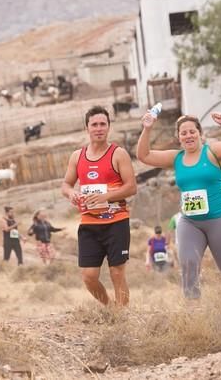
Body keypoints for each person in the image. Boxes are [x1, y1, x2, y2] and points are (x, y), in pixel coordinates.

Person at [136, 111, 221, 299]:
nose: (188, 136)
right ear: (178, 137)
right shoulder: (176, 158)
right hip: (190, 222)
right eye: (183, 133)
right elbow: (144, 155)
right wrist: (147, 129)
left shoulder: (212, 152)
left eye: (192, 131)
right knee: (188, 263)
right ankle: (193, 310)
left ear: (199, 133)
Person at [61, 105, 137, 306]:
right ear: (87, 128)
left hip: (117, 221)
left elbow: (131, 187)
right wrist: (72, 193)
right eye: (94, 124)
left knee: (117, 272)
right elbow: (66, 184)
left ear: (109, 127)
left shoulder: (118, 154)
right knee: (89, 276)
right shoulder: (77, 156)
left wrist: (106, 197)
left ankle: (122, 317)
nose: (99, 128)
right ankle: (110, 307)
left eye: (103, 124)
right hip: (89, 223)